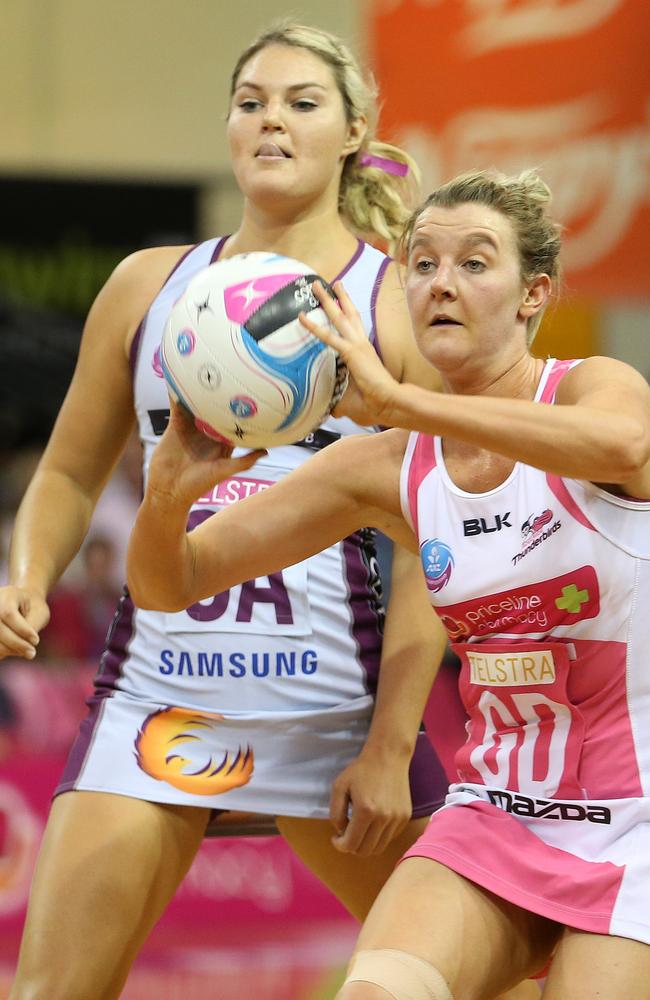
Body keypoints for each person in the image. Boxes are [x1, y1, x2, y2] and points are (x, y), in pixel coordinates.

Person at [0, 22, 456, 1000]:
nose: (271, 121)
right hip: (162, 697)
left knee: (475, 984)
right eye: (250, 102)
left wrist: (386, 746)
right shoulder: (145, 286)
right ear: (226, 129)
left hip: (335, 713)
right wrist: (26, 576)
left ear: (352, 133)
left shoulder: (394, 305)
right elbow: (72, 470)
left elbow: (430, 548)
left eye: (300, 102)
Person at [125, 167, 650, 999]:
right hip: (496, 815)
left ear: (533, 293)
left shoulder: (593, 390)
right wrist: (164, 497)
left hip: (638, 823)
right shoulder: (386, 463)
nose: (442, 282)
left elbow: (626, 449)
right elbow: (171, 581)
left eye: (475, 263)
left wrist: (405, 401)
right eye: (422, 263)